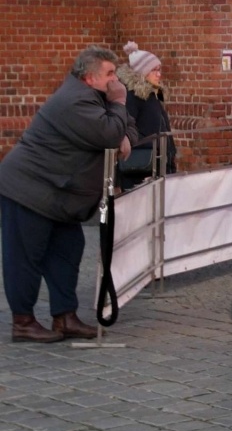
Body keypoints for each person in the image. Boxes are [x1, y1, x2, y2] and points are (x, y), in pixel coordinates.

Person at [0, 47, 133, 342]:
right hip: (29, 189)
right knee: (25, 257)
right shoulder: (75, 101)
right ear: (89, 77)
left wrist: (121, 128)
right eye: (109, 74)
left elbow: (125, 129)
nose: (115, 81)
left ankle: (65, 316)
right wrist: (120, 105)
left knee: (68, 251)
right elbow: (111, 134)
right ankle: (22, 321)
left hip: (59, 195)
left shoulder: (97, 99)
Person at [117, 41, 176, 181]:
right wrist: (153, 145)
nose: (159, 74)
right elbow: (127, 130)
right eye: (154, 70)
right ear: (142, 73)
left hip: (161, 163)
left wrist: (170, 154)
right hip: (141, 167)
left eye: (159, 69)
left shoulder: (153, 95)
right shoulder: (133, 96)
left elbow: (162, 127)